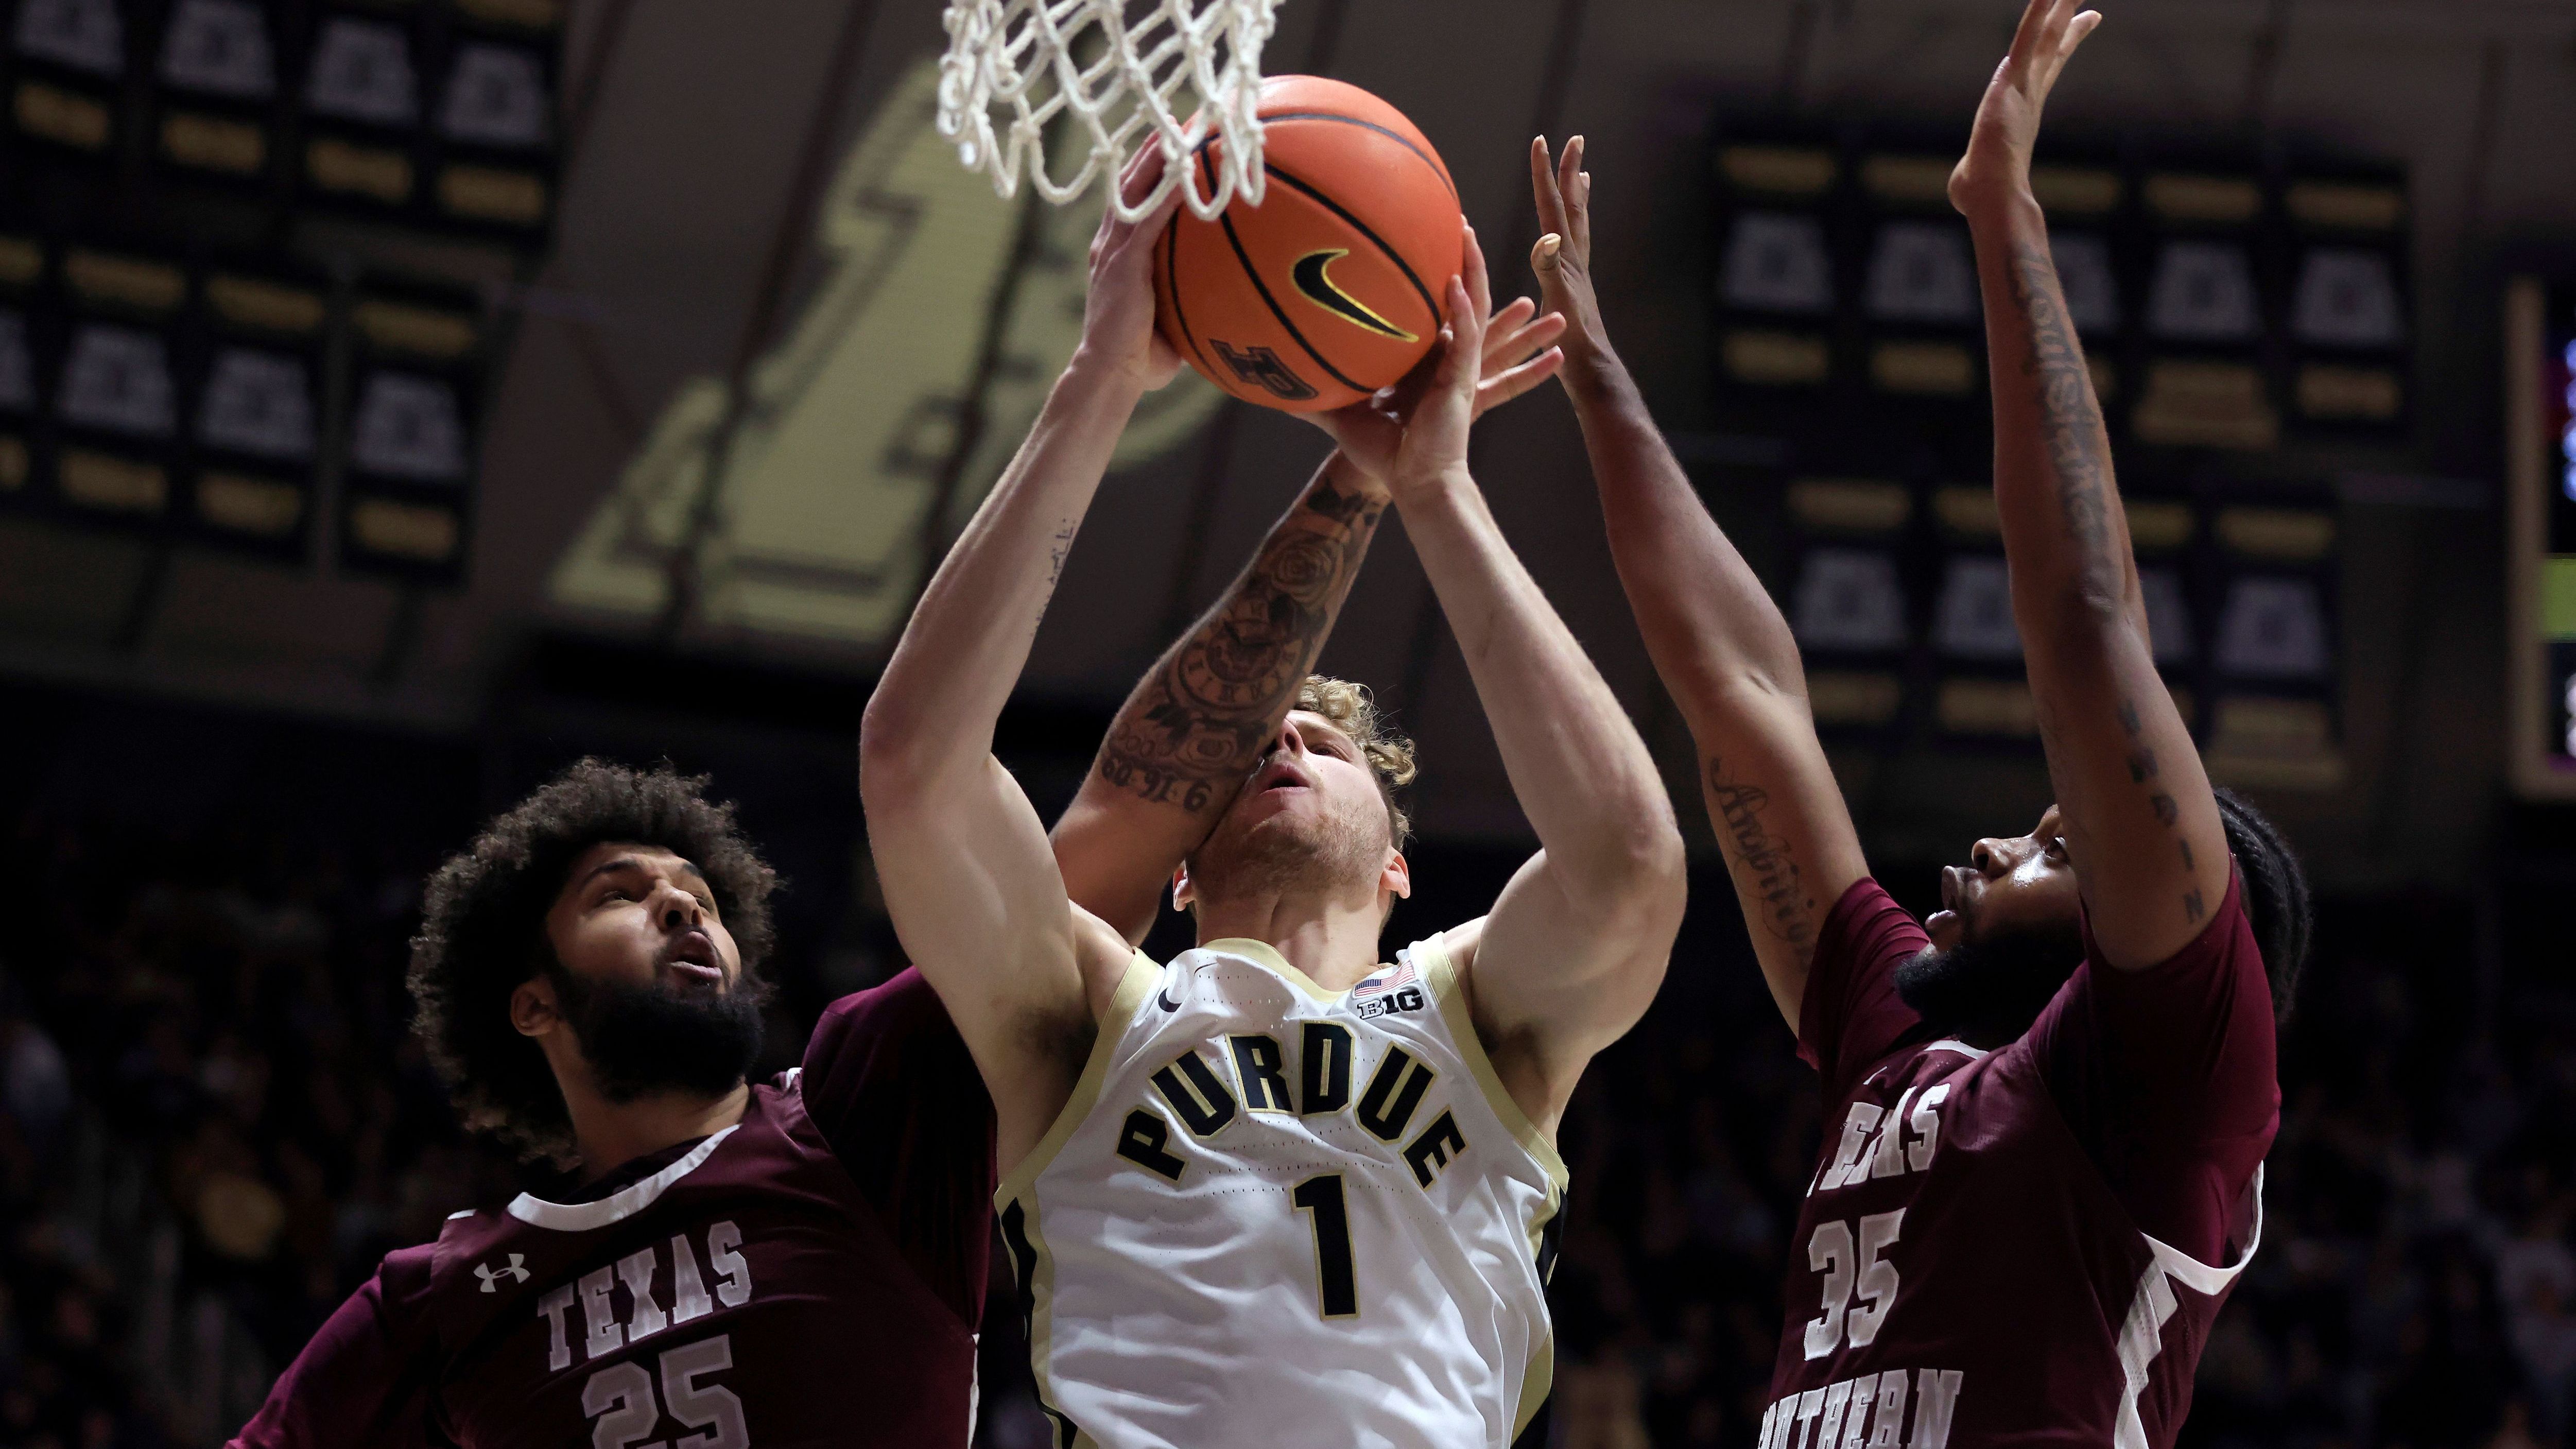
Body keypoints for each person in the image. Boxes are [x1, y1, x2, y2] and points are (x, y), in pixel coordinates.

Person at [1527, 2, 2312, 1444]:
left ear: (2148, 917)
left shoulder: (2168, 1085)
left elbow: (2086, 625)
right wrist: (1597, 381)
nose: (1990, 838)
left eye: (2051, 839)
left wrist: (2001, 213)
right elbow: (1745, 701)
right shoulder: (1898, 1038)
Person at [860, 144, 1687, 1448]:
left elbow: (1632, 862)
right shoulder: (1091, 1010)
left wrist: (1440, 491)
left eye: (1325, 744)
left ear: (1401, 868)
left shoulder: (1480, 1015)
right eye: (1253, 751)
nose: (1283, 743)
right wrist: (1098, 387)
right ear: (1179, 873)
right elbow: (916, 768)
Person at [228, 761, 995, 1447]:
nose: (682, 908)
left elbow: (1082, 874)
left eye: (701, 898)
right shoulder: (450, 1291)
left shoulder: (850, 1114)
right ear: (534, 1005)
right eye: (620, 895)